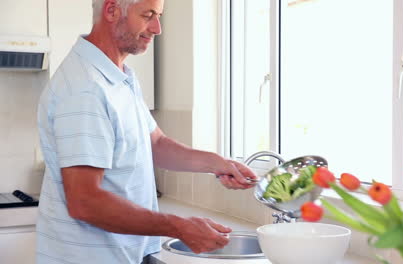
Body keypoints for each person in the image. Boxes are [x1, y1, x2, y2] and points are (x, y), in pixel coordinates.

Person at [36, 0, 257, 263]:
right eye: (148, 15)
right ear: (111, 10)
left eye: (158, 16)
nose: (157, 28)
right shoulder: (85, 90)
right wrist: (178, 226)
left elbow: (155, 143)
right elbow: (86, 201)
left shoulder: (119, 76)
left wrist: (217, 163)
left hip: (122, 252)